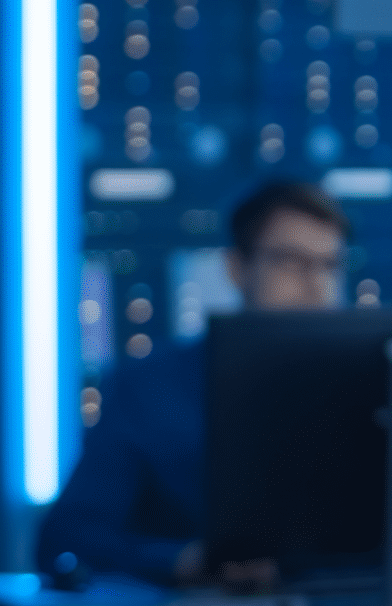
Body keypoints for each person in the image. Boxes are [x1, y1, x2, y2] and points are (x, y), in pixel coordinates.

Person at [39, 180, 351, 587]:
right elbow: (65, 538)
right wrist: (183, 561)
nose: (317, 287)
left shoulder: (368, 386)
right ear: (237, 267)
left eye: (330, 265)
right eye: (293, 262)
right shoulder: (152, 387)